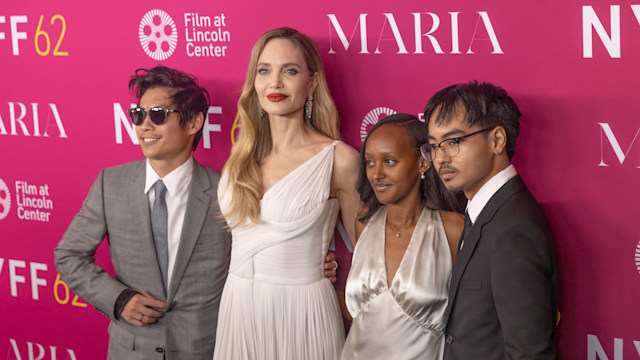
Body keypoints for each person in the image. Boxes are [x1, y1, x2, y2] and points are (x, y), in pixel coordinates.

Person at [54, 65, 231, 359]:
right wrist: (119, 299)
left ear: (194, 123)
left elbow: (256, 259)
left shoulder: (225, 192)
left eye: (158, 115)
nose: (144, 125)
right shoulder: (110, 184)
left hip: (204, 350)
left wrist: (314, 261)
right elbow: (69, 254)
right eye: (138, 115)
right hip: (131, 350)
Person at [213, 27, 360, 360]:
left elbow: (372, 257)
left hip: (303, 313)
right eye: (264, 71)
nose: (274, 83)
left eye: (289, 71)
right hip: (238, 308)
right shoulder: (241, 158)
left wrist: (333, 279)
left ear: (311, 83)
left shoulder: (339, 160)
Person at [421, 81, 558, 359]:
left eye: (454, 141)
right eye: (434, 146)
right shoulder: (483, 211)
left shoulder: (514, 228)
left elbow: (529, 353)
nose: (440, 158)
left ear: (496, 140)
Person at [340, 114, 464, 360]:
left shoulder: (452, 228)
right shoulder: (364, 222)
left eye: (389, 161)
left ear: (422, 162)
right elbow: (369, 312)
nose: (376, 174)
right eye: (369, 162)